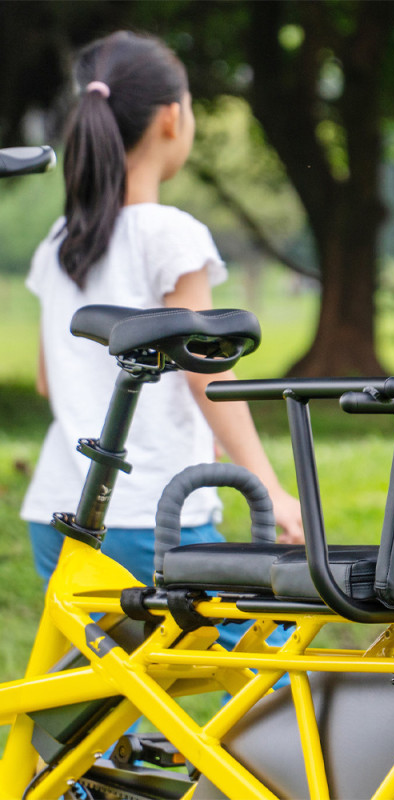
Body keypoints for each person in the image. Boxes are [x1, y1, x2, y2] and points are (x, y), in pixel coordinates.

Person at [21, 31, 303, 654]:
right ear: (173, 118)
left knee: (95, 703)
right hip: (154, 513)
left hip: (57, 511)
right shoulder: (169, 234)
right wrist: (271, 488)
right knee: (275, 663)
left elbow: (48, 379)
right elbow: (208, 374)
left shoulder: (59, 240)